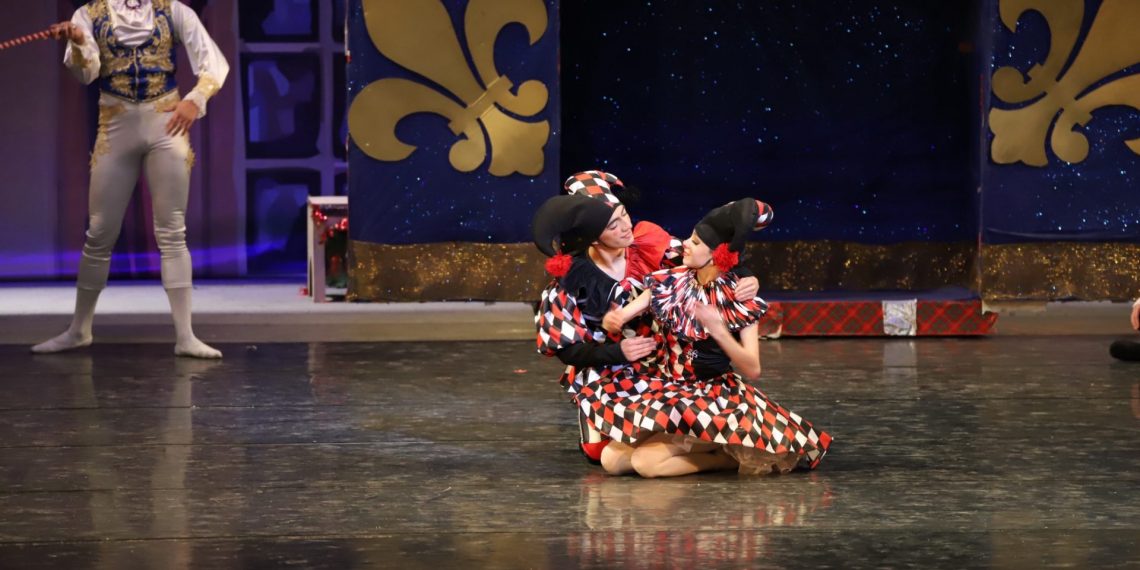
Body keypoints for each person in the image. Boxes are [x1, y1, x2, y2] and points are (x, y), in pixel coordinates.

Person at [34, 0, 229, 358]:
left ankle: (185, 336)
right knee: (99, 233)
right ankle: (79, 329)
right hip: (116, 124)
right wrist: (79, 41)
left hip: (166, 123)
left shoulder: (174, 10)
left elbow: (212, 60)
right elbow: (87, 74)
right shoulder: (88, 15)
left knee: (172, 231)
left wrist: (195, 99)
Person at [532, 171, 759, 463]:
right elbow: (566, 348)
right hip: (607, 370)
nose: (626, 226)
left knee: (657, 440)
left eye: (624, 215)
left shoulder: (652, 247)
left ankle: (712, 448)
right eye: (613, 225)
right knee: (599, 454)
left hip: (663, 366)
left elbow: (707, 257)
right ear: (593, 238)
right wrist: (617, 352)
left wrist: (747, 277)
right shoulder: (572, 282)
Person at [594, 198, 831, 477]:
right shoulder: (675, 279)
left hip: (712, 399)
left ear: (716, 254)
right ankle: (699, 446)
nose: (685, 244)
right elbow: (632, 308)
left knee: (646, 463)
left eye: (695, 242)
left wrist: (719, 331)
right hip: (670, 391)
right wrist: (616, 318)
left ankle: (724, 457)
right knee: (611, 459)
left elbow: (753, 368)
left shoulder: (739, 299)